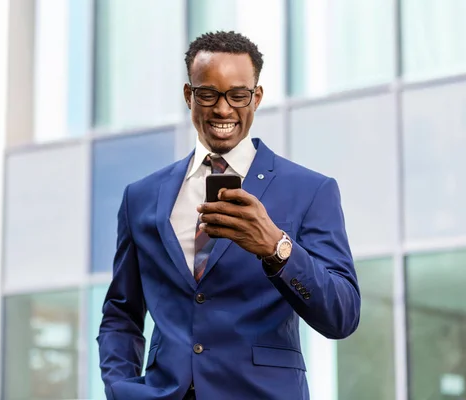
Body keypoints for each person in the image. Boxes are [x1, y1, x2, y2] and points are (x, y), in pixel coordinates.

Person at [97, 31, 361, 400]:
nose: (223, 109)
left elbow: (342, 315)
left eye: (238, 95)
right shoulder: (141, 197)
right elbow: (121, 314)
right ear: (189, 95)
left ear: (257, 97)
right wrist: (120, 387)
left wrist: (276, 246)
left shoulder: (310, 191)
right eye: (209, 94)